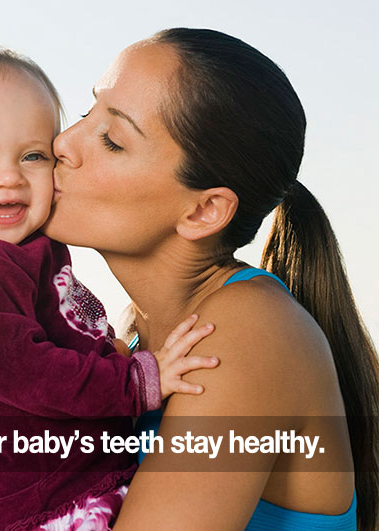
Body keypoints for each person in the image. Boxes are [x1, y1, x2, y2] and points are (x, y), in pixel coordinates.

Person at [44, 28, 379, 530]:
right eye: (88, 113)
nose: (63, 143)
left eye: (112, 140)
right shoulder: (136, 335)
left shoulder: (243, 332)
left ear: (204, 211)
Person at [0, 45, 219, 530]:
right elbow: (28, 373)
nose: (9, 177)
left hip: (78, 478)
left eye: (32, 155)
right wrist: (136, 381)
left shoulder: (30, 246)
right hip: (43, 505)